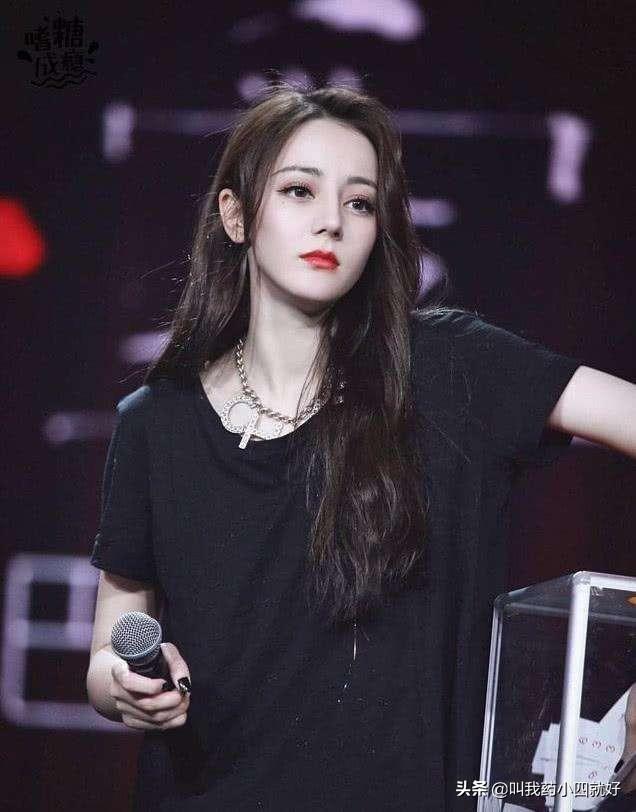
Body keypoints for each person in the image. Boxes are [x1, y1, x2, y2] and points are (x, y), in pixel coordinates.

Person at [85, 84, 636, 811]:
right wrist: (124, 685)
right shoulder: (155, 423)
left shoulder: (450, 369)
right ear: (236, 215)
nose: (331, 222)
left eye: (360, 203)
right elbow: (109, 645)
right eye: (299, 190)